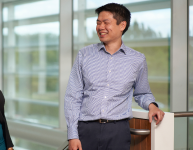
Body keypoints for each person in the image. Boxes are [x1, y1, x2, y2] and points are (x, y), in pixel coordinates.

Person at [64, 3, 165, 150]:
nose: (100, 27)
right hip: (86, 130)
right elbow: (73, 96)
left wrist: (152, 106)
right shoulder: (84, 55)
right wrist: (73, 135)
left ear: (122, 25)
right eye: (98, 23)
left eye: (106, 22)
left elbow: (142, 92)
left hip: (118, 132)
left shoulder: (137, 59)